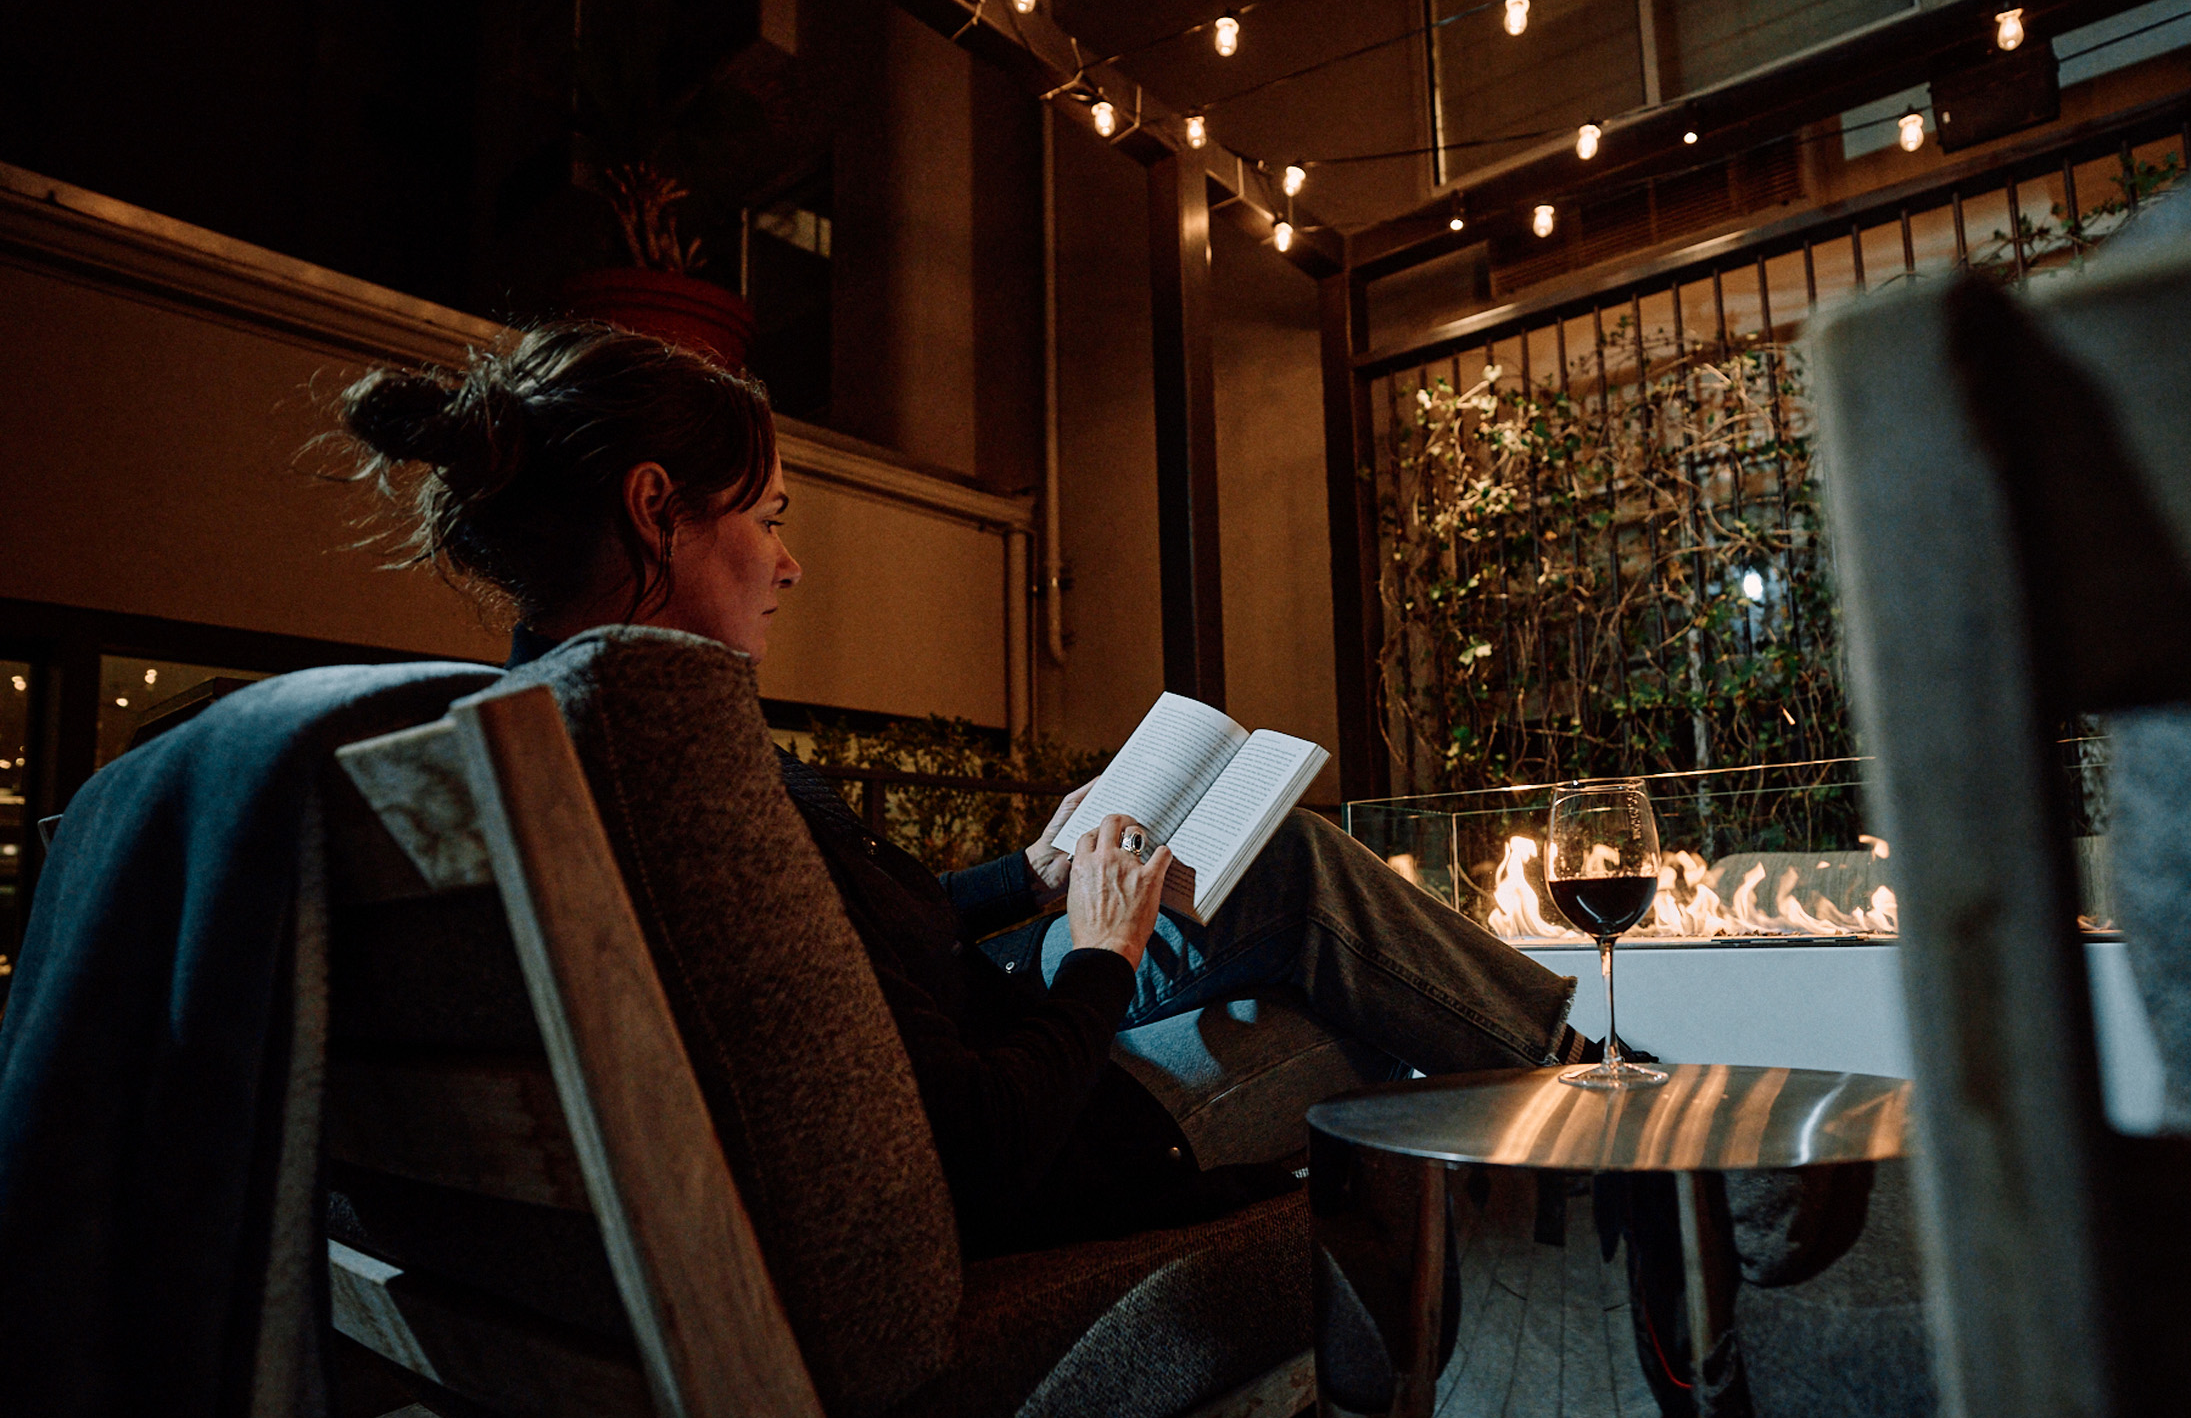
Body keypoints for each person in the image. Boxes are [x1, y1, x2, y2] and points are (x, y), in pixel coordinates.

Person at [338, 322, 1599, 1254]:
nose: (789, 565)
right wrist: (1100, 954)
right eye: (766, 518)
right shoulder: (678, 772)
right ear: (655, 510)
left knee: (1287, 867)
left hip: (970, 1038)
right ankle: (1605, 1131)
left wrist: (1029, 877)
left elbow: (840, 951)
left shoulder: (549, 741)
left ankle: (1584, 1093)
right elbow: (980, 1143)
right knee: (1362, 1015)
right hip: (1044, 1147)